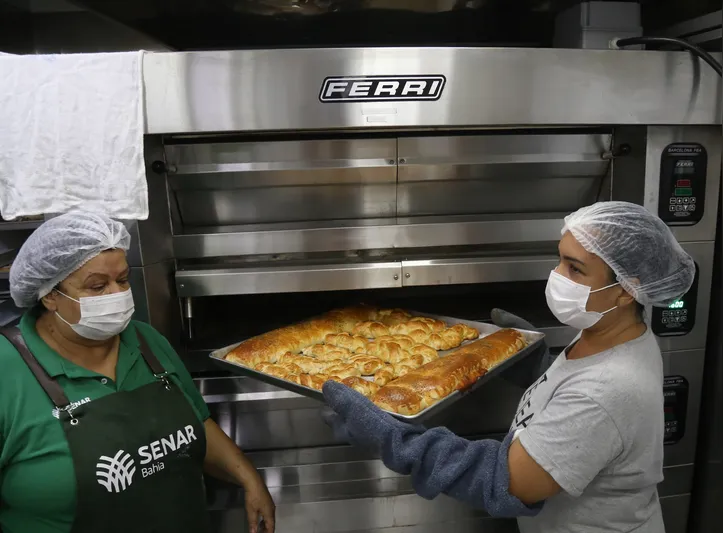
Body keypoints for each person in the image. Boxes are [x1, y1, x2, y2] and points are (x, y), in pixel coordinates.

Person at [322, 201, 695, 533]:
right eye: (560, 259)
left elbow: (504, 481)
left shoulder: (606, 391)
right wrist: (537, 366)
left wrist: (391, 437)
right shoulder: (615, 335)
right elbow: (583, 408)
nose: (558, 276)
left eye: (575, 269)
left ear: (627, 289)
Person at [0, 212, 275, 533]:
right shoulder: (9, 371)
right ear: (49, 295)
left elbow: (197, 423)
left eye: (123, 279)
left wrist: (248, 478)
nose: (116, 294)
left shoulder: (146, 340)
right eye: (98, 285)